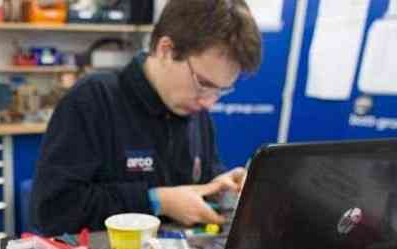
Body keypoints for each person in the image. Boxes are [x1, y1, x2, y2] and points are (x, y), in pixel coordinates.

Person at [30, 0, 261, 236]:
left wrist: (219, 190)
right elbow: (54, 210)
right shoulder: (93, 100)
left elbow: (201, 184)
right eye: (203, 83)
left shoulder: (195, 111)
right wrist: (157, 201)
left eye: (221, 90)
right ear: (166, 50)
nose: (208, 103)